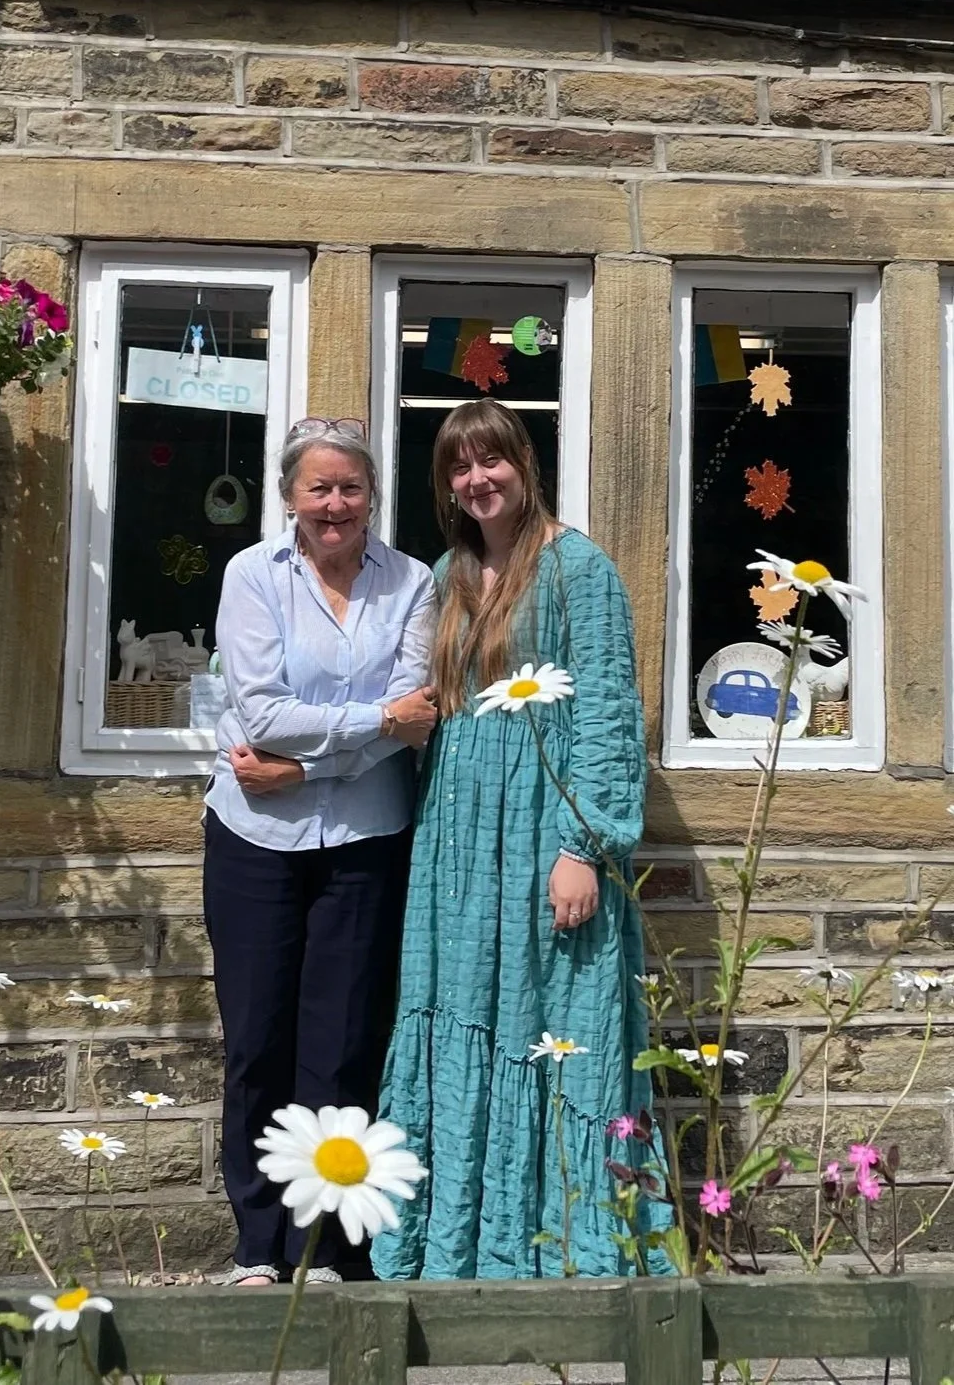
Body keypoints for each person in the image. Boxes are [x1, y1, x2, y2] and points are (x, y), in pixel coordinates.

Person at [371, 398, 665, 1279]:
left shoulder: (578, 568)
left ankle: (567, 1244)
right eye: (459, 466)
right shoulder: (448, 573)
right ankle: (457, 1242)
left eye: (490, 460)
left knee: (553, 1021)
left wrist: (585, 845)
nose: (477, 479)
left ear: (524, 464)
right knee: (462, 1011)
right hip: (458, 842)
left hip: (546, 833)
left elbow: (609, 716)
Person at [204, 418, 438, 1284]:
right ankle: (258, 1242)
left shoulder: (412, 581)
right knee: (256, 1039)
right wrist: (375, 722)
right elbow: (262, 709)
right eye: (319, 488)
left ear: (372, 495)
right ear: (289, 496)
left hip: (366, 839)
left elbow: (419, 709)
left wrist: (304, 764)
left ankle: (330, 1245)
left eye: (350, 487)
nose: (335, 504)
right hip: (254, 836)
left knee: (342, 1043)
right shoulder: (251, 575)